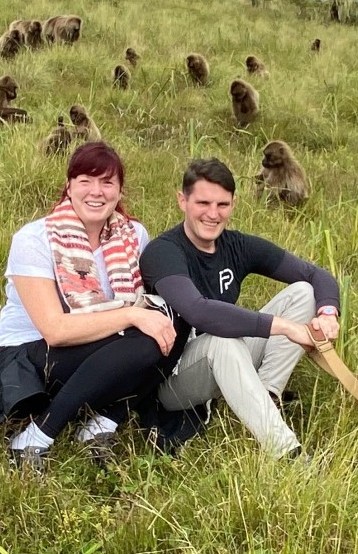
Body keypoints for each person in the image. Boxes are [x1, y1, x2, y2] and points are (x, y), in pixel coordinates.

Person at [0, 142, 178, 471]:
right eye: (85, 180)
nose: (96, 192)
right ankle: (35, 437)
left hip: (103, 344)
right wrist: (131, 314)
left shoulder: (133, 235)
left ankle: (101, 424)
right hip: (31, 354)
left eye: (107, 182)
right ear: (69, 186)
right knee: (147, 338)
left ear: (120, 190)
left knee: (173, 323)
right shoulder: (35, 239)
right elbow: (54, 331)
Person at [139, 157, 341, 459]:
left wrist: (327, 314)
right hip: (175, 379)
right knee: (222, 341)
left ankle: (265, 396)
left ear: (233, 204)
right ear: (182, 201)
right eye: (203, 203)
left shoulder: (236, 245)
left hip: (228, 356)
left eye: (222, 205)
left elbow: (316, 275)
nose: (212, 214)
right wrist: (285, 327)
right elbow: (200, 312)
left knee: (304, 293)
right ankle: (287, 454)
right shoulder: (163, 251)